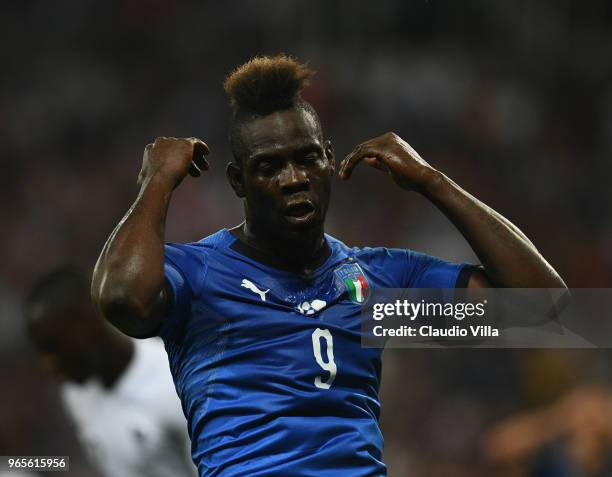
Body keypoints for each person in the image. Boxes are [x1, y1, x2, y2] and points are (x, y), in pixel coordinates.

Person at [91, 55, 567, 476]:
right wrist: (156, 182)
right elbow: (124, 300)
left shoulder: (377, 287)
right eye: (269, 167)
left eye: (307, 159)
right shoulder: (197, 276)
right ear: (238, 182)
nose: (294, 178)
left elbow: (541, 310)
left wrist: (433, 182)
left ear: (330, 161)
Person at [25, 266, 197, 477]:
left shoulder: (174, 386)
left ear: (90, 322)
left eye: (54, 347)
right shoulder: (76, 393)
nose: (49, 366)